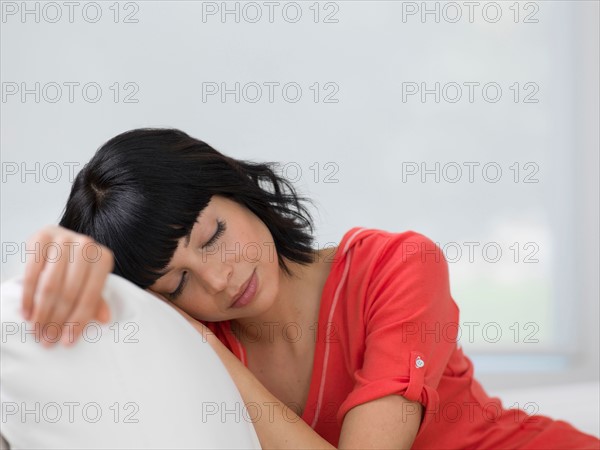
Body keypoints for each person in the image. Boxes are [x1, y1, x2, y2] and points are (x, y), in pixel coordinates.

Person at [20, 128, 600, 449]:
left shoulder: (397, 265)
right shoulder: (188, 331)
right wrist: (70, 252)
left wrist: (216, 362)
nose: (221, 279)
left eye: (214, 235)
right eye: (177, 282)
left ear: (236, 186)